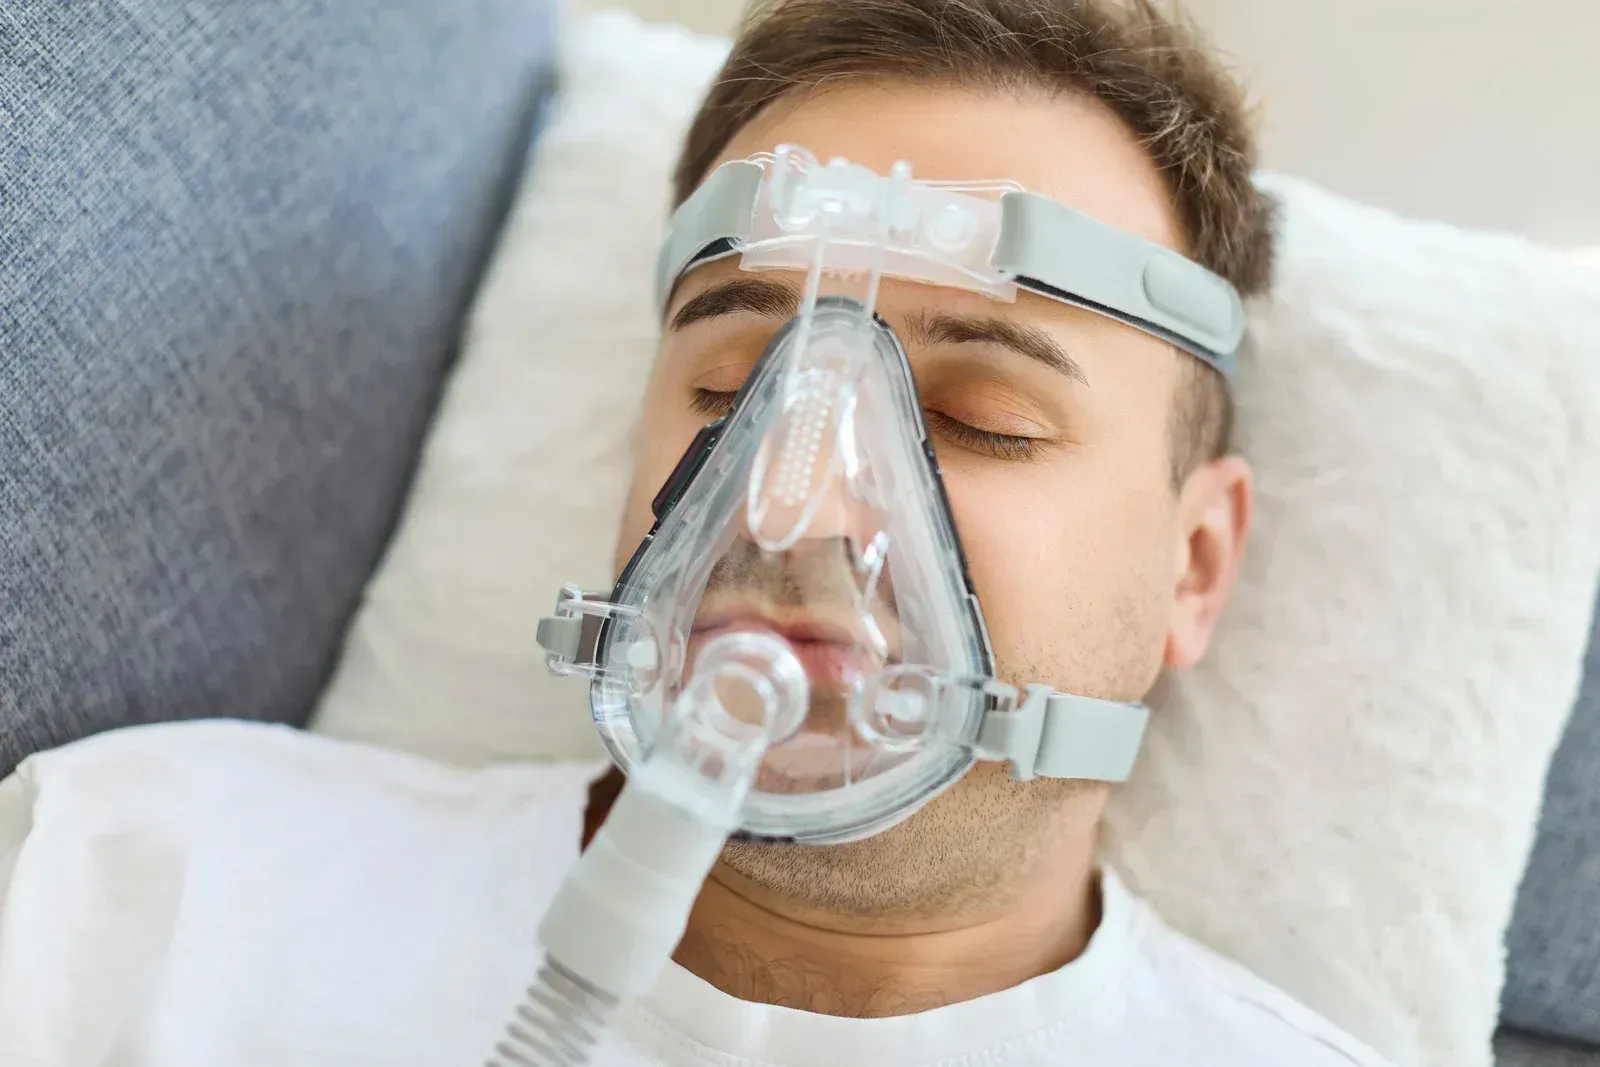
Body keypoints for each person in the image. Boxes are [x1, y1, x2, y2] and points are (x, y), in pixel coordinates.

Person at [0, 0, 1395, 1065]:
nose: (797, 498)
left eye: (984, 416)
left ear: (1193, 567)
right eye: (729, 386)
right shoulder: (144, 885)